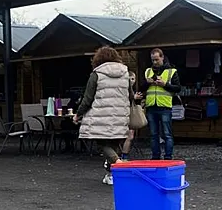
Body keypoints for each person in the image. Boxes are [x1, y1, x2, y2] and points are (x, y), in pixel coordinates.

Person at [73, 47, 132, 185]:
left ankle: (119, 164)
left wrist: (78, 114)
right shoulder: (125, 73)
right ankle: (111, 175)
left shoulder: (96, 74)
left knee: (101, 143)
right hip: (121, 114)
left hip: (101, 115)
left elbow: (87, 99)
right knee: (114, 144)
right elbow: (130, 95)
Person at [142, 48, 180, 160]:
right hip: (151, 106)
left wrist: (165, 84)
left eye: (157, 59)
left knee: (167, 134)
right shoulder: (148, 71)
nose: (154, 62)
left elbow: (178, 88)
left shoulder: (172, 71)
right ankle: (155, 157)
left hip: (165, 106)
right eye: (153, 60)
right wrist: (146, 83)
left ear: (162, 57)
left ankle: (168, 157)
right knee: (153, 135)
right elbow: (141, 88)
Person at [121, 71, 144, 160]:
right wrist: (133, 97)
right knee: (127, 135)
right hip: (123, 114)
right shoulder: (123, 89)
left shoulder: (133, 90)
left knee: (130, 135)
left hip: (130, 114)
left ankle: (124, 156)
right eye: (129, 79)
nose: (131, 81)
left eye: (133, 79)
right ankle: (123, 155)